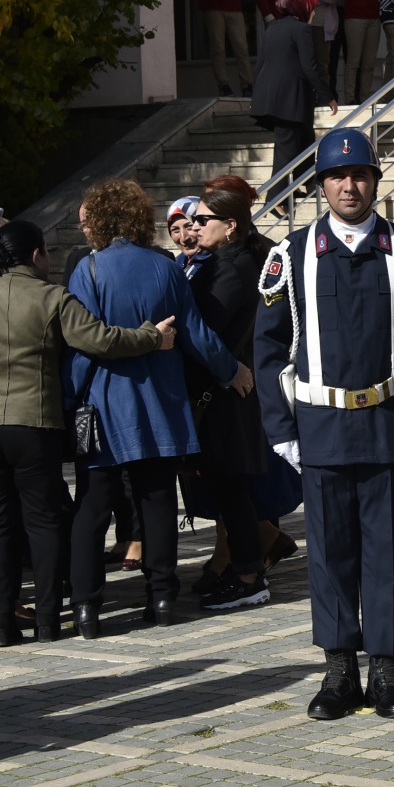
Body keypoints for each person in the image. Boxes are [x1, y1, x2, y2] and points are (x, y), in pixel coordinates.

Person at [255, 128, 394, 720]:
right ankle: (338, 666)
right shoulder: (289, 255)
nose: (349, 185)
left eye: (360, 174)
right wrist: (281, 430)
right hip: (320, 427)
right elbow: (266, 349)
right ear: (321, 185)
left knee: (385, 552)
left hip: (387, 421)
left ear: (375, 180)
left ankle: (386, 668)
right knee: (329, 552)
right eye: (337, 177)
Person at [0, 222, 173, 645]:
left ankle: (1, 626)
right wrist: (150, 337)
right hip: (37, 425)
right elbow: (100, 340)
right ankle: (49, 621)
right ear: (36, 255)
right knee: (44, 523)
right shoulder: (53, 297)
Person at [66, 180, 247, 638]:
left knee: (93, 507)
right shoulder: (165, 268)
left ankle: (86, 606)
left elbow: (80, 349)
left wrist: (68, 401)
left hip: (106, 407)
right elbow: (197, 334)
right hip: (159, 403)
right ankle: (162, 595)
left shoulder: (86, 271)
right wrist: (232, 370)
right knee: (158, 499)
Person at [184, 179, 275, 612]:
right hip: (225, 390)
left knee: (230, 486)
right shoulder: (227, 258)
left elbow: (203, 327)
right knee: (227, 486)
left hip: (225, 393)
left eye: (203, 219)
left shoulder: (233, 266)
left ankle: (248, 575)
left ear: (231, 224)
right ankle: (244, 567)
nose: (194, 226)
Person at [250, 0, 338, 206]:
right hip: (290, 100)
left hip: (275, 99)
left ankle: (306, 182)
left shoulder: (272, 29)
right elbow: (310, 67)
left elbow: (260, 65)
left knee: (306, 138)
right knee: (286, 148)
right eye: (312, 8)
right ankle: (275, 200)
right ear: (301, 8)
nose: (314, 14)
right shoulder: (302, 30)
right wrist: (328, 96)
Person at [336, 0, 382, 104]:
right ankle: (349, 99)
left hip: (373, 16)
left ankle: (365, 98)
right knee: (353, 61)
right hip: (354, 17)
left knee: (369, 63)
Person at [300, 0, 342, 98]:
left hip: (326, 24)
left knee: (324, 64)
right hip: (307, 23)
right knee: (307, 63)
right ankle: (308, 97)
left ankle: (324, 98)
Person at [168, 196, 202, 276]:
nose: (183, 238)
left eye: (190, 227)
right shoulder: (176, 263)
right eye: (176, 230)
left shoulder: (218, 265)